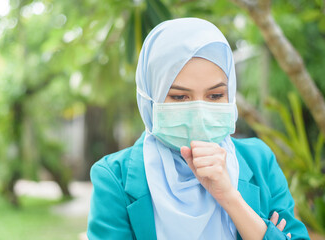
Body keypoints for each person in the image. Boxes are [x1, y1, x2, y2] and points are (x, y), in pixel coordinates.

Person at [86, 18, 310, 240]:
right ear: (150, 98)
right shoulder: (114, 178)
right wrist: (264, 232)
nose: (200, 111)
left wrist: (230, 198)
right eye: (180, 96)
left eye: (215, 95)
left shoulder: (259, 160)